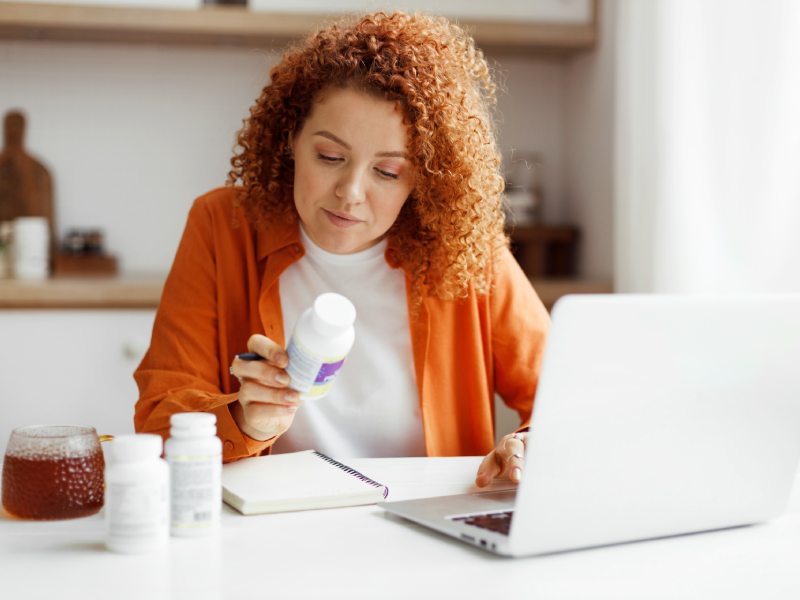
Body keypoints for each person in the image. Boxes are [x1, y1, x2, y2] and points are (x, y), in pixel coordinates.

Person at [134, 11, 550, 487]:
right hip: (275, 531)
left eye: (388, 172)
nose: (351, 192)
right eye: (330, 157)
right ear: (291, 138)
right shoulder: (222, 225)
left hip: (426, 529)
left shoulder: (464, 246)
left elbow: (570, 398)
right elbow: (159, 417)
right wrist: (244, 422)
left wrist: (531, 445)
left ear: (424, 178)